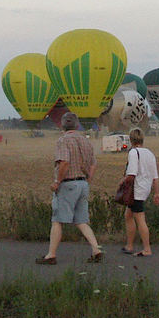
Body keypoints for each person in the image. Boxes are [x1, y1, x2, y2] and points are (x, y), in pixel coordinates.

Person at [36, 112, 104, 265]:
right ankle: (96, 250)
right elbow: (93, 163)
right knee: (81, 221)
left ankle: (51, 255)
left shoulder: (63, 141)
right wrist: (88, 178)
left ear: (62, 125)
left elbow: (64, 163)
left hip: (68, 184)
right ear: (77, 124)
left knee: (57, 220)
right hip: (82, 183)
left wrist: (57, 182)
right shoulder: (86, 141)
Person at [121, 127, 159, 256]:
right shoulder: (150, 153)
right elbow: (155, 176)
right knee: (128, 215)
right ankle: (129, 245)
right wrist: (156, 193)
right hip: (145, 189)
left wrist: (122, 183)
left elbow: (131, 174)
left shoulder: (133, 153)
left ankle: (147, 248)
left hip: (136, 190)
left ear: (131, 140)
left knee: (139, 218)